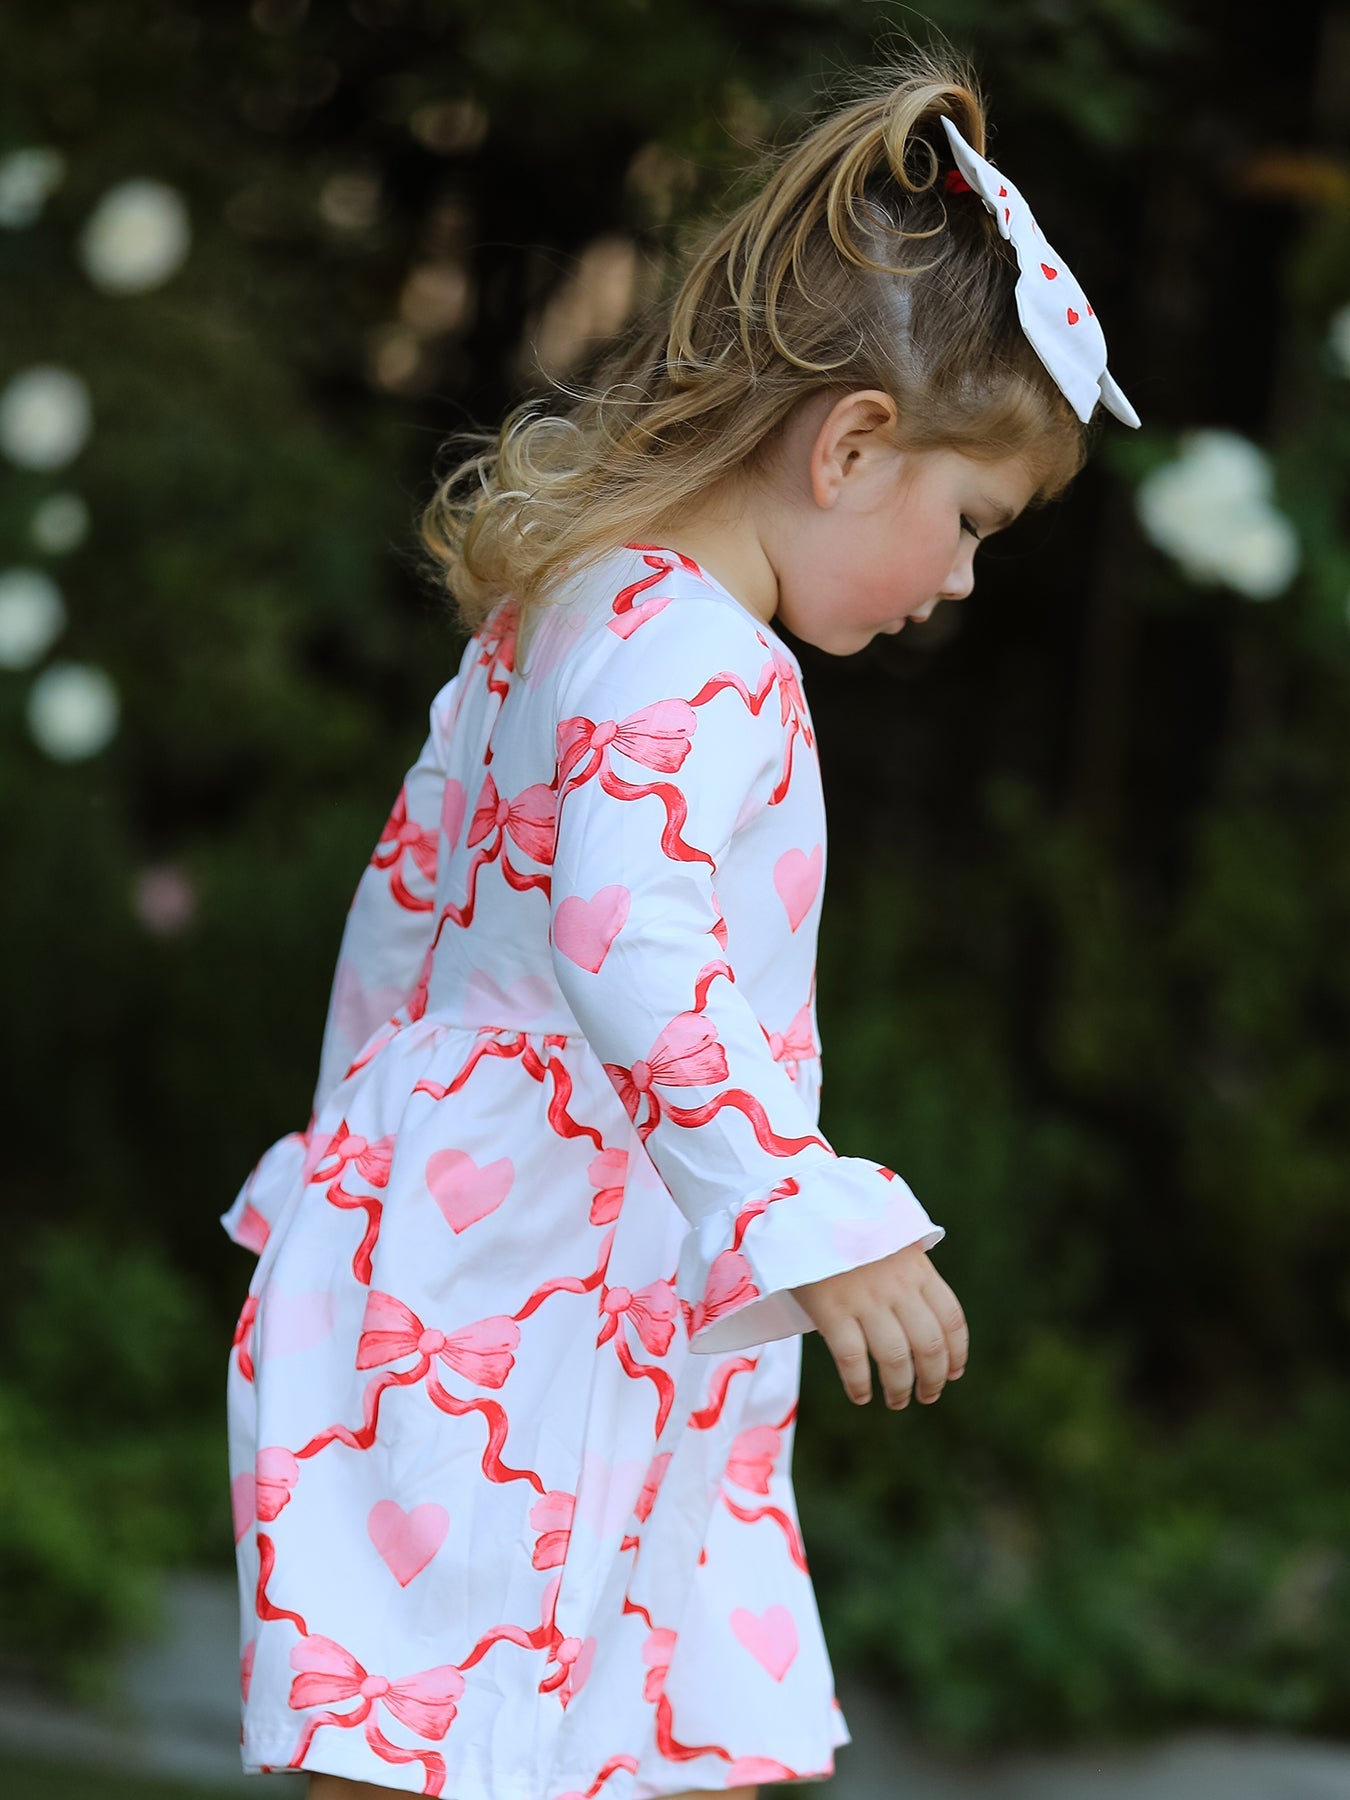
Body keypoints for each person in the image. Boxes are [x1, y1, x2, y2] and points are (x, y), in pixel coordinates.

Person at [221, 42, 1138, 1800]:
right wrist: (805, 1209)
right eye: (968, 525)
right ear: (851, 443)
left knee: (483, 1724)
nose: (958, 582)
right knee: (482, 1734)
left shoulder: (571, 605)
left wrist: (352, 1158)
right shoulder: (702, 659)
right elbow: (620, 937)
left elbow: (404, 905)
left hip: (496, 1251)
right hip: (539, 1284)